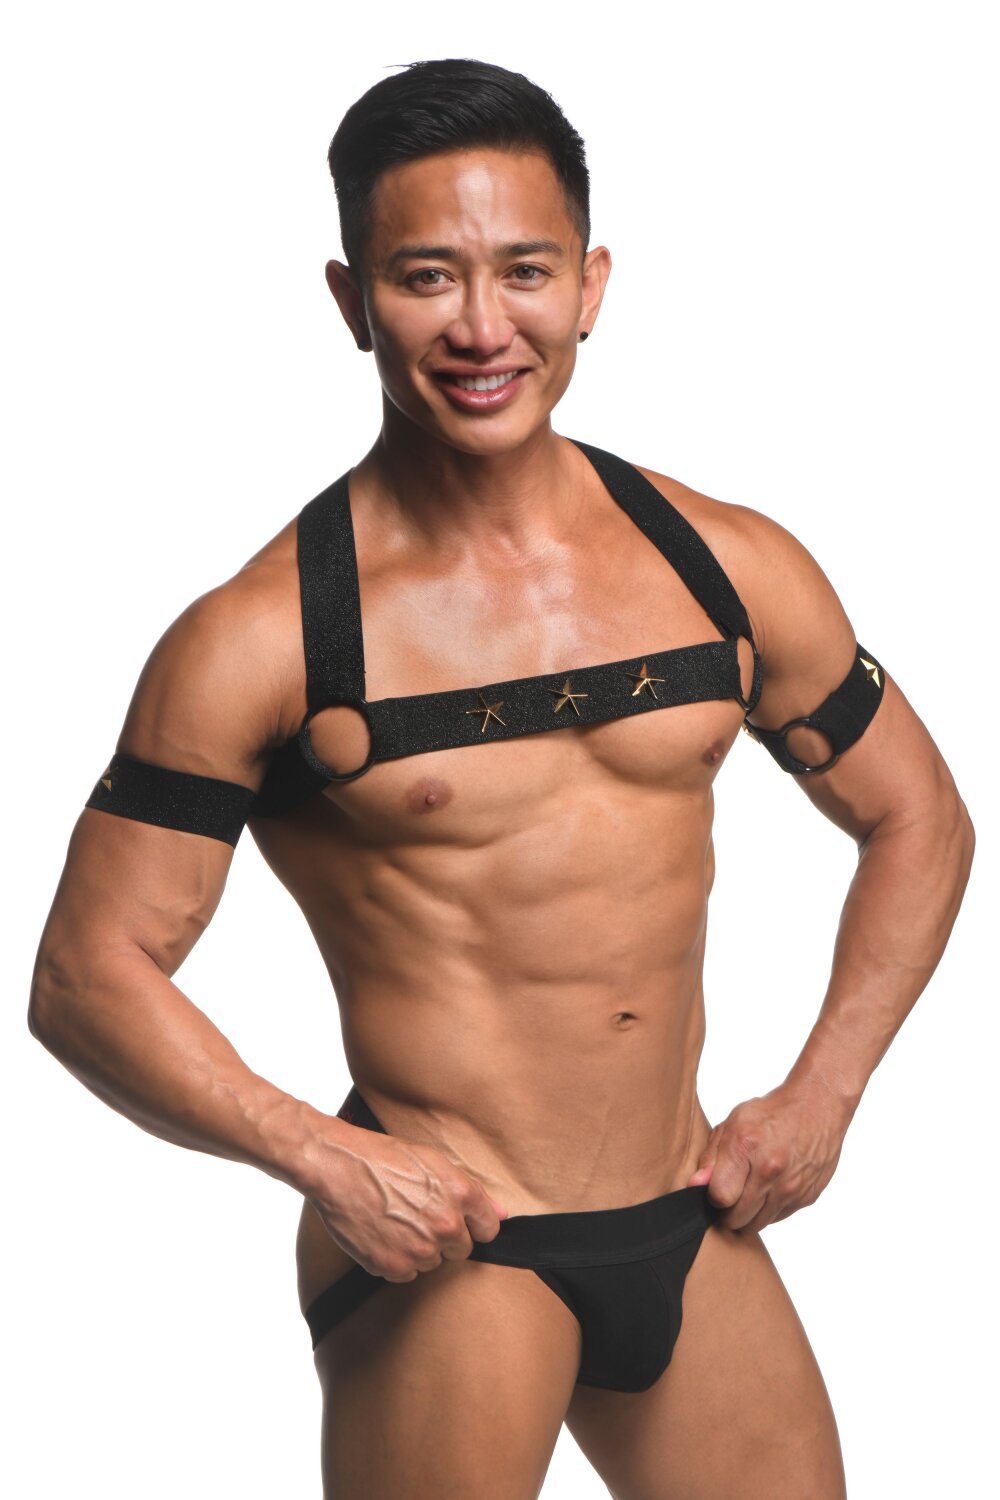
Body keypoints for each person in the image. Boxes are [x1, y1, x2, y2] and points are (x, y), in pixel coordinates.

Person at [28, 56, 974, 1500]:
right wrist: (321, 1157)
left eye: (525, 271)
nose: (483, 327)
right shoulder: (264, 639)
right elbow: (87, 975)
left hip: (688, 1212)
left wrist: (823, 1093)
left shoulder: (726, 566)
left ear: (591, 285)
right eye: (427, 278)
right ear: (352, 301)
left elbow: (920, 815)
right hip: (453, 1245)